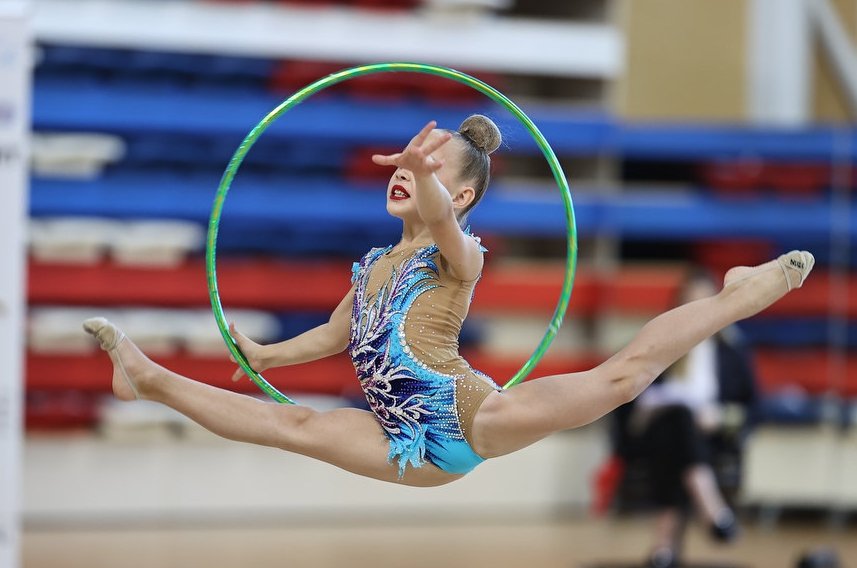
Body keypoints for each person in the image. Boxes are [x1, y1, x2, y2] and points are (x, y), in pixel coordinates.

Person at [83, 115, 814, 488]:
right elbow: (339, 335)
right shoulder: (372, 265)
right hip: (405, 443)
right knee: (293, 422)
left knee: (622, 378)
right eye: (405, 166)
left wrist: (424, 178)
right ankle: (146, 378)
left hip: (469, 413)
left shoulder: (456, 255)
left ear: (459, 195)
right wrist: (268, 352)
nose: (405, 174)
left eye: (428, 170)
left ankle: (740, 293)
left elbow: (438, 218)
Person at [609, 270, 759, 568]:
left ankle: (663, 546)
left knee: (679, 436)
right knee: (677, 418)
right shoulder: (654, 342)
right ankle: (711, 507)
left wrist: (721, 417)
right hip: (653, 430)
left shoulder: (731, 351)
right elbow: (623, 394)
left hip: (707, 437)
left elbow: (753, 405)